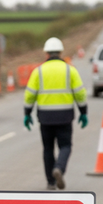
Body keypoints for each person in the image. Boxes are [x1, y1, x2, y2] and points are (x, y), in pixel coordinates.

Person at [23, 37, 88, 190]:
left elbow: (29, 95)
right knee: (65, 146)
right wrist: (83, 112)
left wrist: (27, 113)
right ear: (60, 53)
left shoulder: (38, 71)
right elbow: (80, 94)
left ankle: (50, 182)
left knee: (47, 149)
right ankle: (59, 168)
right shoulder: (69, 70)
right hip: (65, 116)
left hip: (45, 117)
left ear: (46, 53)